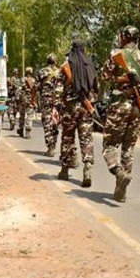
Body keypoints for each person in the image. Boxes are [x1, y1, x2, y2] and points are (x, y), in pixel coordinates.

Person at [100, 26, 140, 203]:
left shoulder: (116, 54)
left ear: (125, 37)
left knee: (109, 145)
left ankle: (118, 172)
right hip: (138, 108)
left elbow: (104, 77)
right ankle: (121, 190)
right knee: (128, 149)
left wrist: (120, 79)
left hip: (119, 105)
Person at [53, 39, 98, 188]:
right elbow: (96, 89)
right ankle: (88, 169)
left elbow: (59, 90)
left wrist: (57, 107)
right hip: (86, 108)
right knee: (86, 138)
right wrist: (91, 102)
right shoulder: (90, 65)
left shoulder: (67, 65)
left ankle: (65, 170)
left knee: (67, 138)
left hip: (70, 109)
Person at [37, 54, 60, 156]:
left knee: (47, 123)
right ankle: (53, 145)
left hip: (46, 101)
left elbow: (36, 86)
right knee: (55, 123)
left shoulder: (42, 71)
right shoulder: (61, 71)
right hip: (58, 101)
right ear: (56, 61)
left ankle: (50, 147)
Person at [16, 67, 37, 139]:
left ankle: (21, 130)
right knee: (29, 117)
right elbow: (35, 91)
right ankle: (27, 132)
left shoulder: (22, 79)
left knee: (22, 115)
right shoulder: (34, 80)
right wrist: (35, 101)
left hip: (23, 100)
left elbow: (18, 90)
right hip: (30, 100)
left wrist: (17, 99)